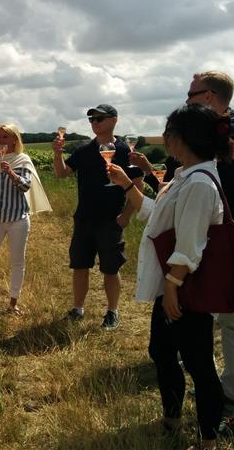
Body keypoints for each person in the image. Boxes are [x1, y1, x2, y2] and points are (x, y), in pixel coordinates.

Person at [131, 72, 234, 442]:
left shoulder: (232, 134)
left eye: (191, 93)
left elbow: (209, 199)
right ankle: (230, 395)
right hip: (206, 252)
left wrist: (176, 278)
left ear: (208, 97)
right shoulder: (211, 147)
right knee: (228, 329)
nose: (187, 97)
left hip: (216, 255)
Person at [109, 103, 232, 450]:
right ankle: (171, 419)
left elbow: (191, 244)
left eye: (169, 133)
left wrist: (172, 286)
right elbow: (156, 217)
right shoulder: (185, 176)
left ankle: (208, 439)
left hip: (186, 286)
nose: (165, 139)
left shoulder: (199, 184)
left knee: (198, 363)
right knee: (162, 352)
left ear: (183, 138)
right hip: (175, 284)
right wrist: (125, 186)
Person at [52, 104, 143, 330]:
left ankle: (112, 312)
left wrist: (126, 215)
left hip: (111, 220)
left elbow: (138, 185)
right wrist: (56, 153)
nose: (94, 123)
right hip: (84, 218)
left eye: (99, 119)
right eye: (91, 119)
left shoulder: (124, 152)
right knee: (80, 265)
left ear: (113, 121)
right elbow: (62, 173)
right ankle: (78, 309)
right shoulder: (84, 150)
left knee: (111, 268)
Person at [0, 123, 51, 314]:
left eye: (5, 137)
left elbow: (26, 186)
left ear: (14, 139)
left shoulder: (22, 160)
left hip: (17, 218)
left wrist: (10, 173)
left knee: (17, 261)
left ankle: (13, 302)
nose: (0, 141)